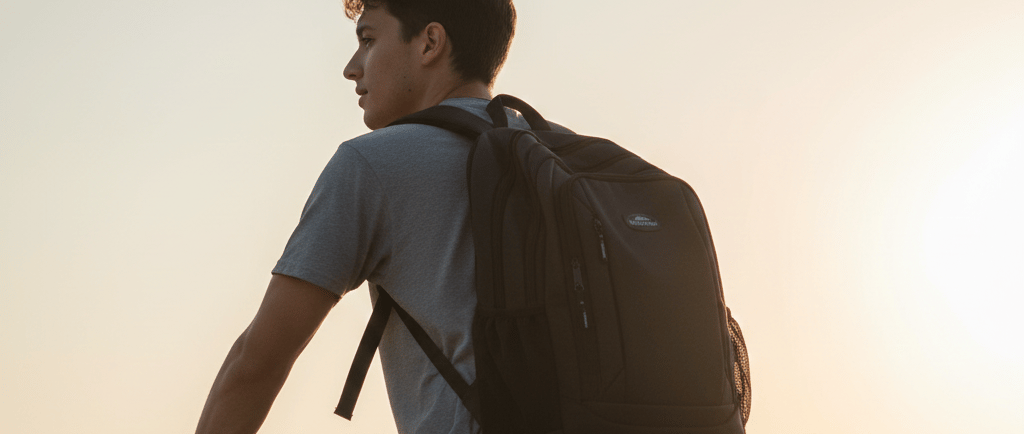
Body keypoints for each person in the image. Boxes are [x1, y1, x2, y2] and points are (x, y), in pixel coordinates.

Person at [194, 1, 518, 433]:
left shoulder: (372, 164)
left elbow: (256, 364)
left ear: (430, 43)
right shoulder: (565, 156)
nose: (351, 68)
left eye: (368, 41)